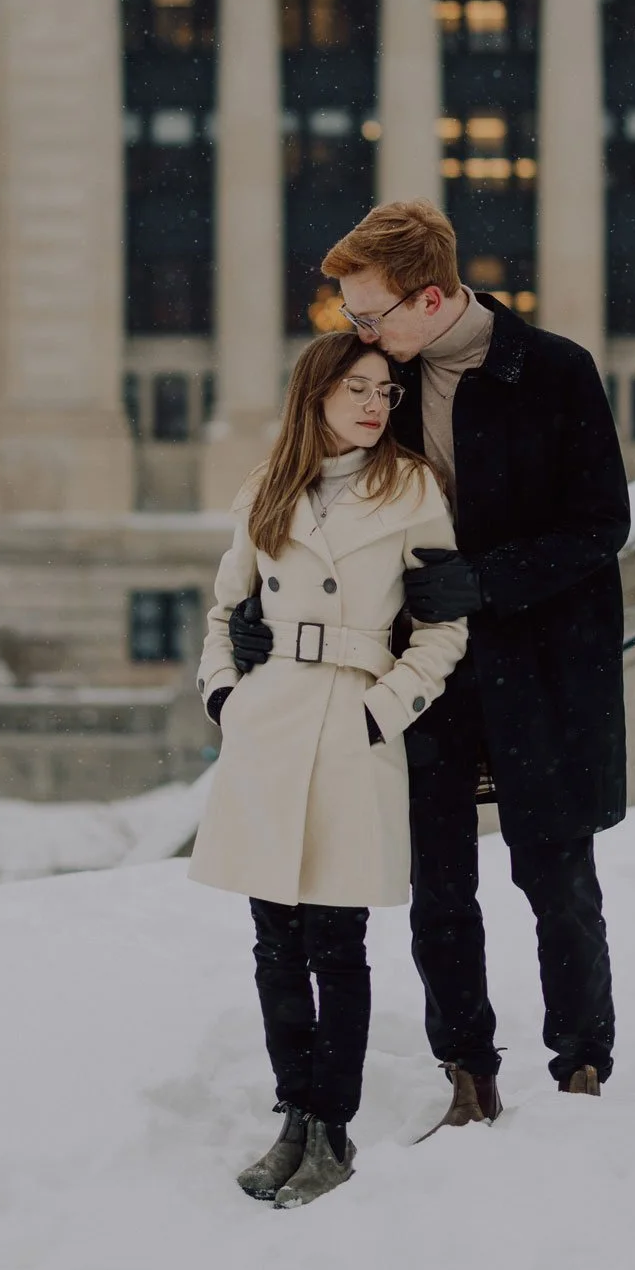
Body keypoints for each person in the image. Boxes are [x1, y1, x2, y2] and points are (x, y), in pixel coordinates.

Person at [229, 200, 630, 1133]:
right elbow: (318, 505)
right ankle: (467, 1073)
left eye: (370, 315)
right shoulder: (384, 385)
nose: (358, 335)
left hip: (541, 668)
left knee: (555, 874)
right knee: (439, 885)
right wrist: (257, 615)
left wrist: (485, 582)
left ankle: (580, 1066)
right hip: (420, 675)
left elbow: (599, 525)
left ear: (434, 297)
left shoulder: (555, 371)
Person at [191, 329, 469, 1206]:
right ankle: (292, 1119)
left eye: (385, 391)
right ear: (315, 392)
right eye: (356, 387)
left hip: (351, 728)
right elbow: (224, 607)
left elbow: (443, 629)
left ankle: (333, 1131)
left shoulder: (411, 487)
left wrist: (381, 710)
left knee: (336, 945)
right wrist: (224, 697)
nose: (374, 404)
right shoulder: (266, 488)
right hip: (269, 725)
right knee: (274, 941)